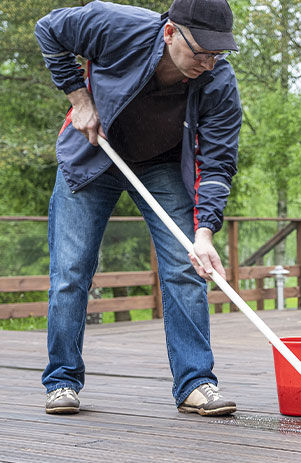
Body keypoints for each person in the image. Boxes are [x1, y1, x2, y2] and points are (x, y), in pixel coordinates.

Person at [34, 0, 242, 416]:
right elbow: (48, 29)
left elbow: (217, 163)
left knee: (187, 267)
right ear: (170, 33)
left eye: (216, 54)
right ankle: (61, 381)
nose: (208, 63)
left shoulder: (218, 82)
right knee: (70, 271)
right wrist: (79, 98)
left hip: (160, 165)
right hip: (94, 154)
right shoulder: (116, 26)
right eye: (200, 52)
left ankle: (195, 382)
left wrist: (204, 233)